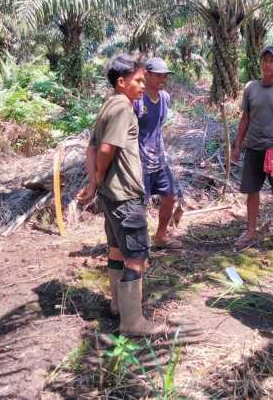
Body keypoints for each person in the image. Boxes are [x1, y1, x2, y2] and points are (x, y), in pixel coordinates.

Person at [76, 54, 163, 336]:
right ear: (122, 82)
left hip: (110, 196)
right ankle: (132, 323)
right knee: (137, 256)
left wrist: (93, 185)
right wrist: (99, 177)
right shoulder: (123, 107)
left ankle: (118, 306)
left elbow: (91, 148)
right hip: (125, 195)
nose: (143, 84)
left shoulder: (107, 106)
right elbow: (104, 150)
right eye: (139, 80)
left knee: (116, 249)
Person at [232, 45, 273, 248]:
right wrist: (237, 145)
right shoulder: (251, 87)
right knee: (252, 191)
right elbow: (245, 118)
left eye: (272, 60)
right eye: (265, 60)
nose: (267, 64)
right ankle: (250, 231)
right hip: (253, 147)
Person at [134, 57, 181, 249]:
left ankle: (160, 235)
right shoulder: (138, 99)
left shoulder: (165, 98)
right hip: (139, 160)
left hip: (160, 159)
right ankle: (138, 245)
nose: (163, 79)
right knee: (139, 205)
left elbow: (158, 128)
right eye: (159, 75)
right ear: (147, 74)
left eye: (165, 76)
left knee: (170, 196)